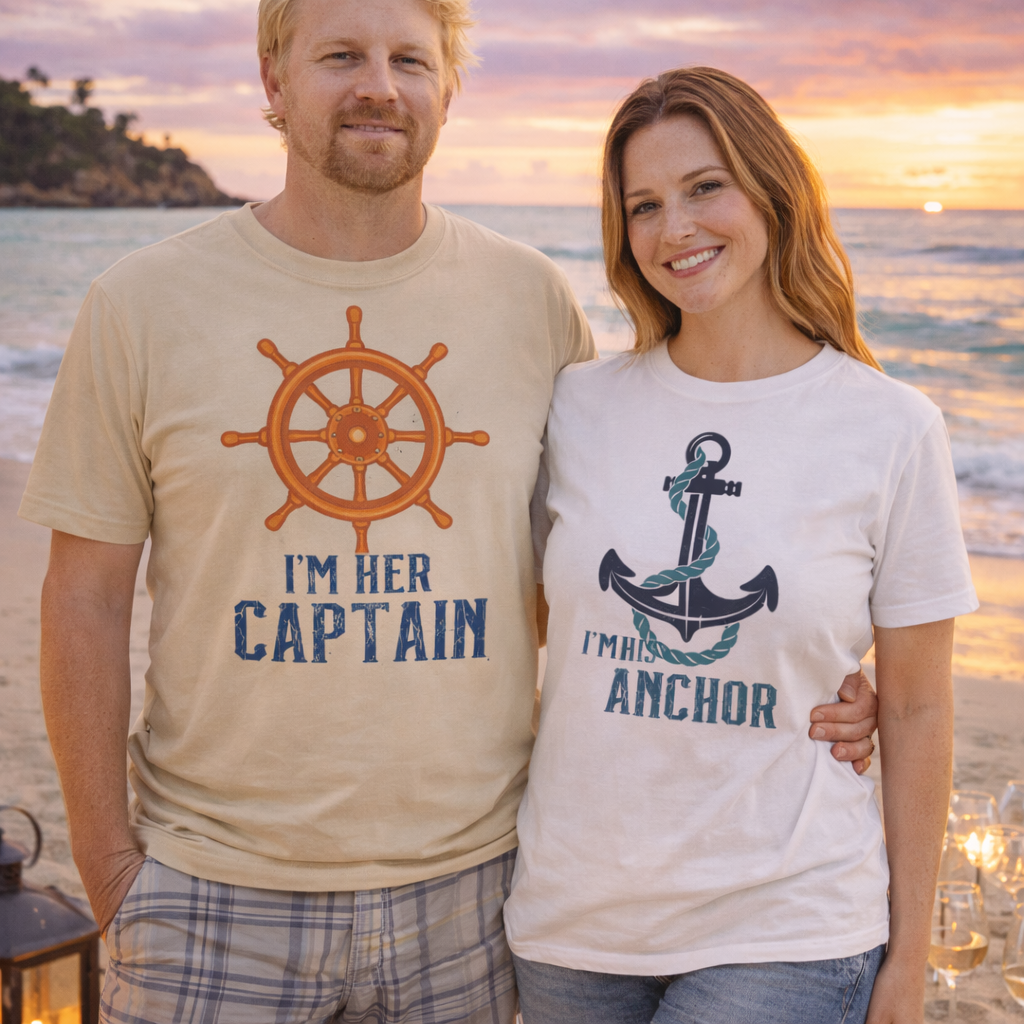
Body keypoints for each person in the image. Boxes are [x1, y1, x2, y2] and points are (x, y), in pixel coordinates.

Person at [19, 3, 877, 1019]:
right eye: (340, 55)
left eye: (408, 60)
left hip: (474, 897)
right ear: (272, 77)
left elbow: (595, 576)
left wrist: (805, 671)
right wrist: (109, 864)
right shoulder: (140, 304)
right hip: (213, 895)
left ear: (447, 89)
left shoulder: (530, 302)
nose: (378, 85)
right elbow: (83, 598)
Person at [505, 67, 978, 1024]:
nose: (674, 228)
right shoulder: (579, 406)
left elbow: (921, 709)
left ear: (772, 190)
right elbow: (527, 617)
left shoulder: (890, 428)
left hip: (787, 925)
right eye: (644, 205)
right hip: (570, 922)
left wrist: (909, 959)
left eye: (705, 187)